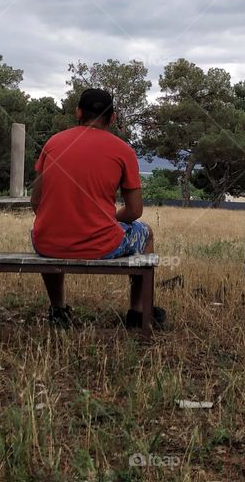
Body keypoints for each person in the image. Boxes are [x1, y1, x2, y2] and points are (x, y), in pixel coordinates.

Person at [30, 88, 166, 329]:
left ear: (78, 112)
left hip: (46, 243)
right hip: (100, 244)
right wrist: (105, 219)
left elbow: (36, 203)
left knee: (49, 232)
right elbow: (135, 211)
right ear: (112, 117)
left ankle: (58, 310)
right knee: (146, 233)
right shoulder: (123, 151)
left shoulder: (53, 143)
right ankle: (137, 311)